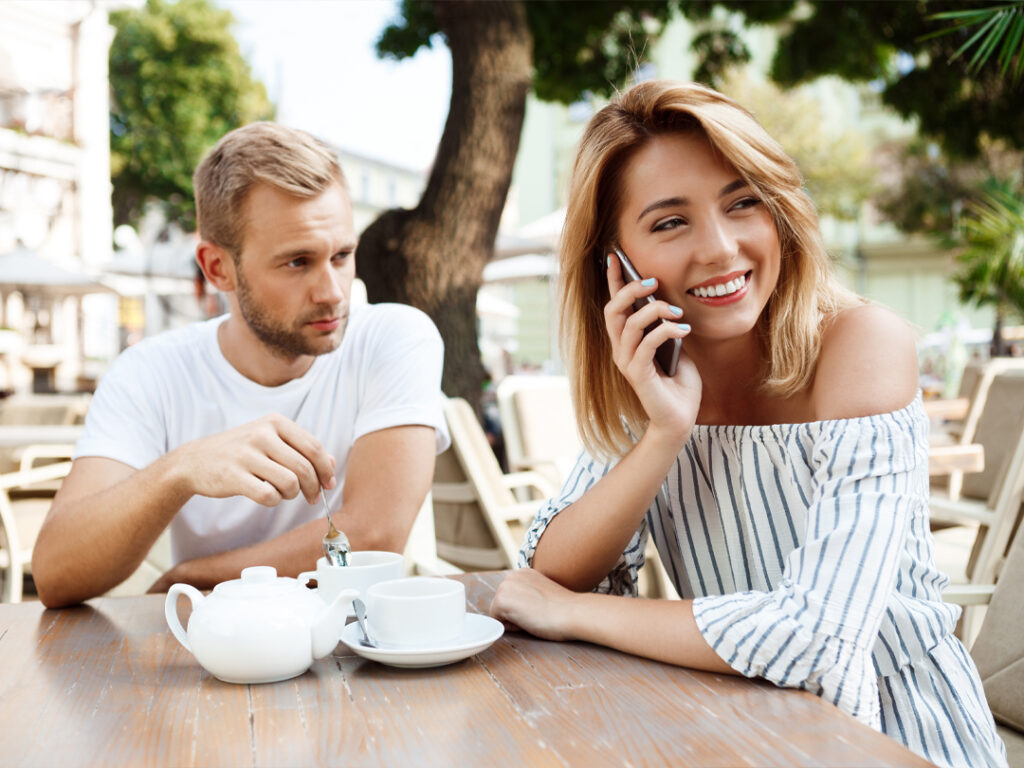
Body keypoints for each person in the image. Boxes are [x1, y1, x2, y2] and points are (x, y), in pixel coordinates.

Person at [488, 81, 1006, 768]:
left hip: (897, 736)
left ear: (780, 213)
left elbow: (818, 639)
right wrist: (664, 434)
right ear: (616, 265)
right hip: (737, 726)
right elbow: (553, 574)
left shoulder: (861, 345)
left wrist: (579, 616)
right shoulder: (654, 378)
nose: (722, 248)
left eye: (743, 203)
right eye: (671, 222)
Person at [33, 123, 449, 608]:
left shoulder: (395, 337)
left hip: (361, 650)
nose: (333, 291)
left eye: (342, 255)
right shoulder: (149, 372)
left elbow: (375, 533)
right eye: (297, 262)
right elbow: (56, 573)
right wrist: (180, 470)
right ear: (216, 268)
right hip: (218, 663)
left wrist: (192, 576)